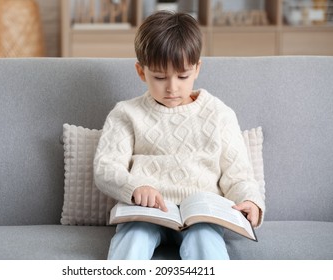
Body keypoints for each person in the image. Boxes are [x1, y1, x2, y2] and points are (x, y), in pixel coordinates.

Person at [93, 10, 265, 260]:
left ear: (197, 69)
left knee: (206, 243)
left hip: (202, 215)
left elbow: (238, 175)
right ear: (141, 72)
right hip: (145, 212)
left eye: (183, 76)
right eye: (160, 77)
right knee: (133, 240)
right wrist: (134, 187)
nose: (172, 87)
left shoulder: (219, 113)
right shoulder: (126, 113)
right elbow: (105, 168)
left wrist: (250, 201)